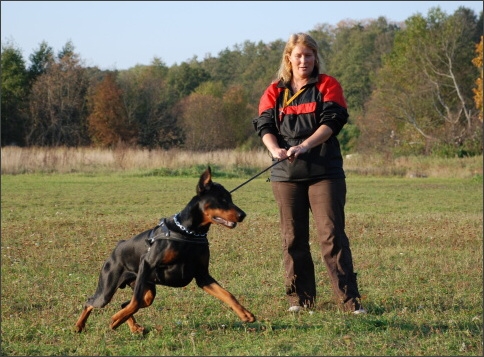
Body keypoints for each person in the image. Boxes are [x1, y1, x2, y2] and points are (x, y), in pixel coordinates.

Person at [252, 33, 366, 314]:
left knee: (332, 236)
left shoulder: (328, 85)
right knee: (293, 238)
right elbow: (264, 126)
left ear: (316, 58)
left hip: (324, 172)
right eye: (299, 55)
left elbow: (333, 122)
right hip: (285, 175)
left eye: (309, 55)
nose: (304, 60)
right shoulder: (274, 91)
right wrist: (275, 149)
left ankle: (349, 302)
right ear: (288, 58)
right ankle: (300, 301)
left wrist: (304, 145)